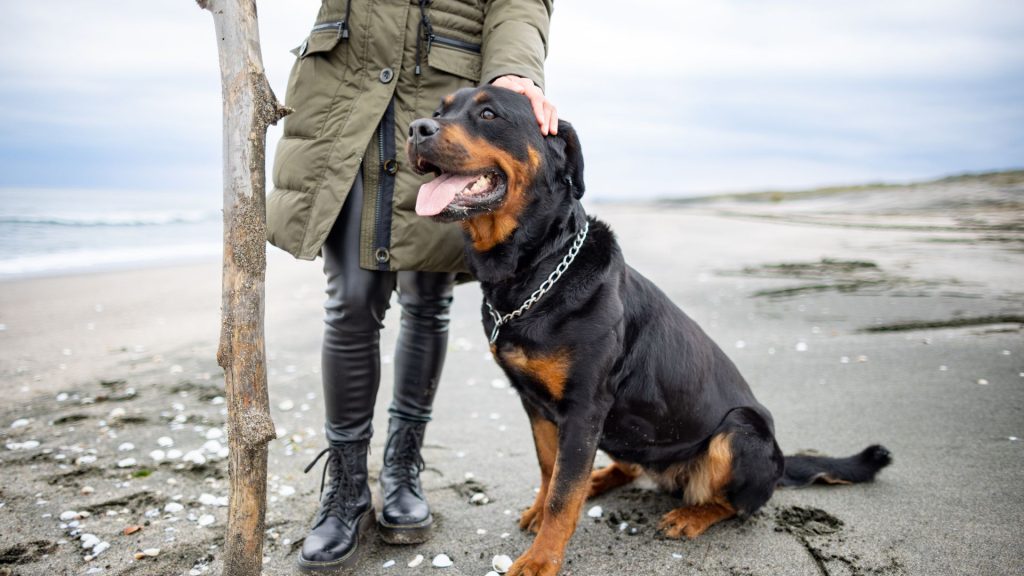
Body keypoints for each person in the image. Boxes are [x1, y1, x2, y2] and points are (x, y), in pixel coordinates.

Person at [266, 0, 557, 571]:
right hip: (347, 94)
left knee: (428, 302)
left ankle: (403, 470)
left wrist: (516, 71)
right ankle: (347, 489)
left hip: (445, 93)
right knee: (351, 300)